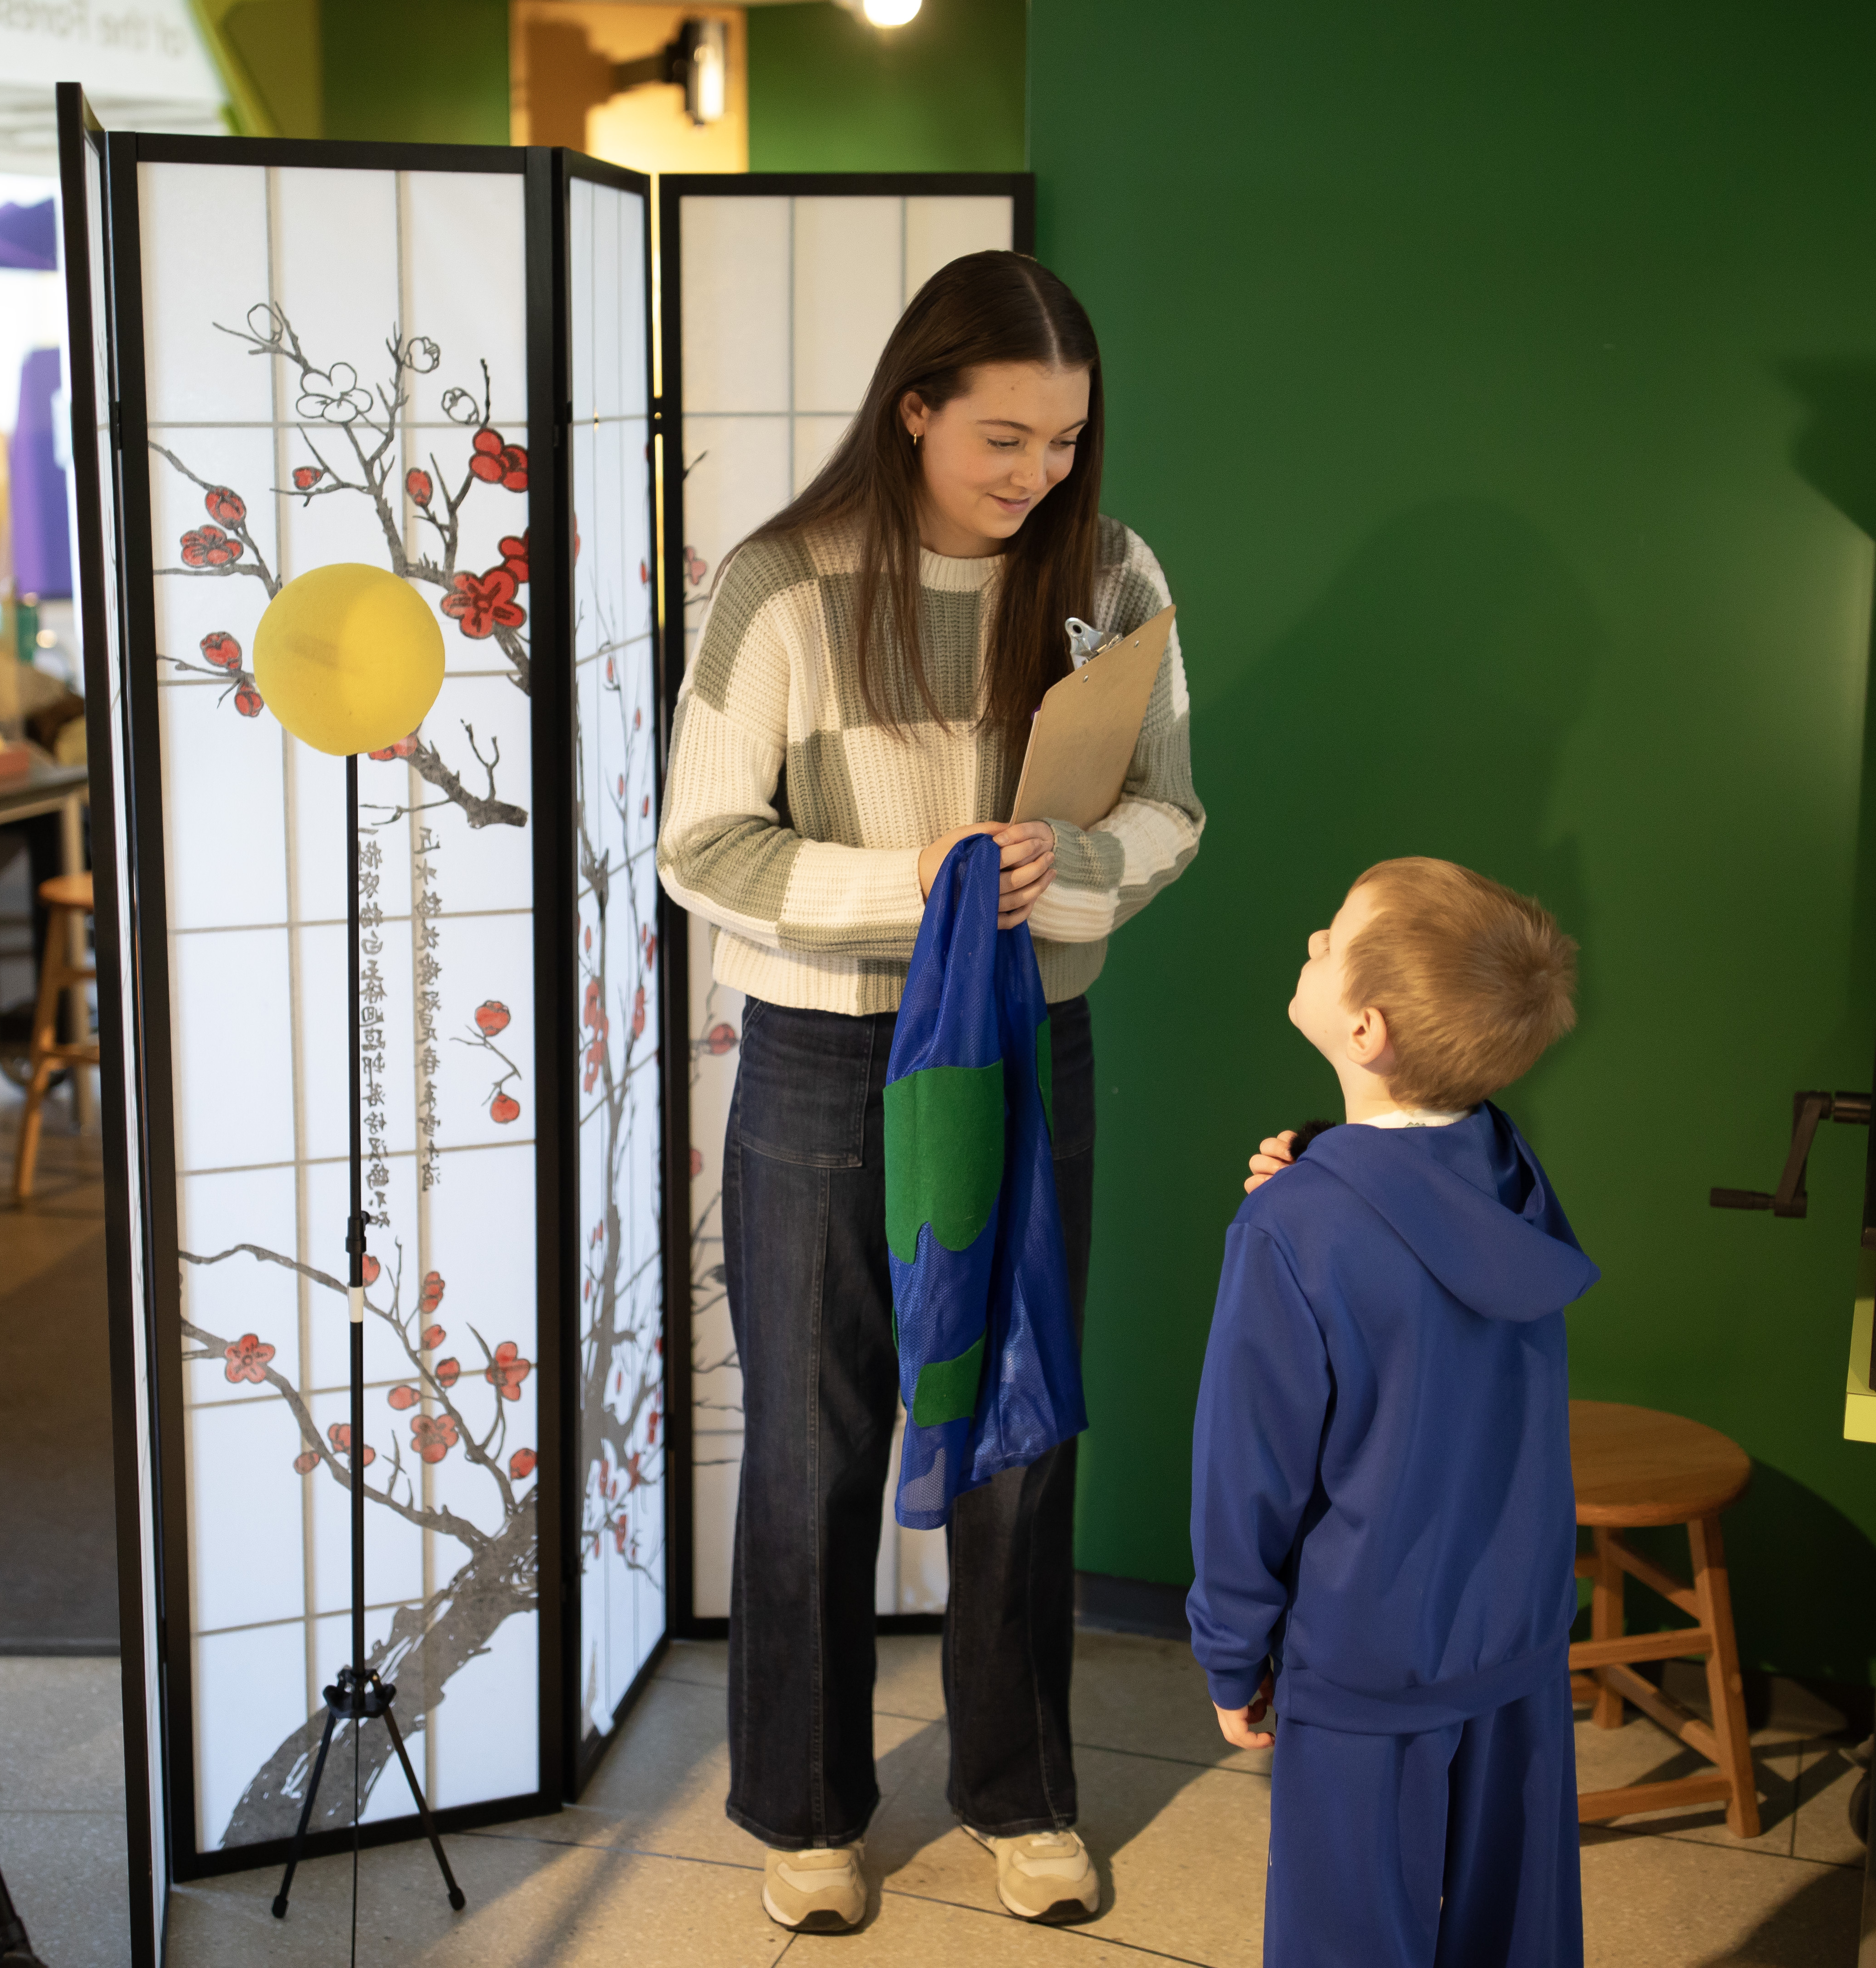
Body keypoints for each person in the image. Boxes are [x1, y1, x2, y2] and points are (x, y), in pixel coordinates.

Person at [658, 249, 1204, 1933]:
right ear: (914, 409)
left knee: (1017, 1429)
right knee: (816, 1444)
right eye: (1002, 438)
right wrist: (921, 877)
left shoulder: (1110, 572)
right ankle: (808, 1811)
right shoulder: (783, 583)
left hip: (1032, 1045)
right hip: (830, 1049)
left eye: (1064, 439)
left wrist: (1079, 858)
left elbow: (1175, 811)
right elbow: (700, 846)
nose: (1038, 472)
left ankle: (1020, 1792)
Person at [1191, 857, 1593, 1968]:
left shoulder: (1292, 1232)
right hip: (1515, 1644)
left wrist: (1233, 1654)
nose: (1313, 936)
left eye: (1332, 938)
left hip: (1368, 1667)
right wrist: (1330, 1156)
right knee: (1507, 1934)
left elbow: (1247, 1473)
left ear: (1364, 1029)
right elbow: (1416, 1212)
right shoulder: (1509, 1174)